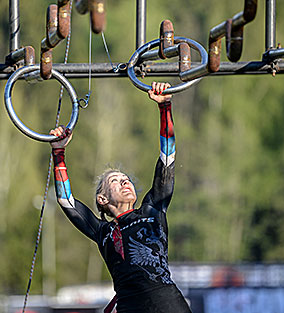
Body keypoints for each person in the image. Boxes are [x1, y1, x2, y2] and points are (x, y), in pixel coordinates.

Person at [49, 82, 191, 313]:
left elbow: (167, 157)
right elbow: (67, 201)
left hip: (168, 304)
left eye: (126, 179)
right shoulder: (102, 232)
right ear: (102, 199)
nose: (125, 182)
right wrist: (59, 152)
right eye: (114, 181)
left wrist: (165, 106)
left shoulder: (152, 209)